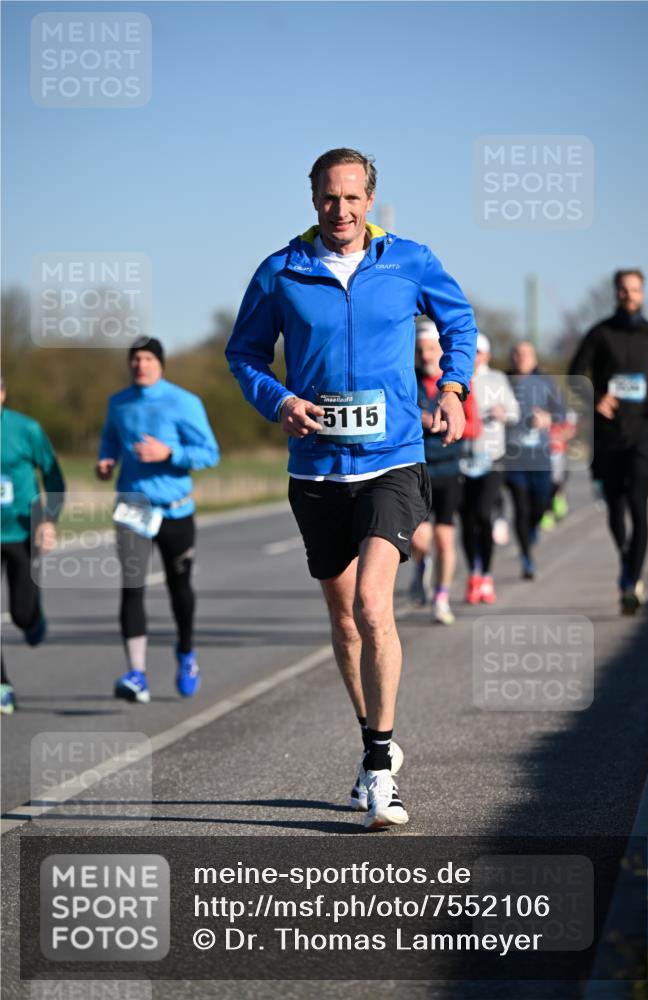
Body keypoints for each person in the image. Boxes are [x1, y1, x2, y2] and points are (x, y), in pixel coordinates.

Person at [226, 148, 477, 829]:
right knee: (343, 622)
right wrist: (277, 400)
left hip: (392, 458)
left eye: (352, 198)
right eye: (328, 199)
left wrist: (452, 388)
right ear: (313, 201)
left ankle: (375, 772)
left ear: (370, 199)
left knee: (373, 607)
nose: (340, 210)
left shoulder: (408, 260)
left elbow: (459, 322)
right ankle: (379, 738)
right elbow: (242, 354)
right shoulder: (281, 271)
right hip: (315, 470)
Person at [97, 336, 220, 702]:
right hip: (134, 509)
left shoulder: (184, 402)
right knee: (132, 587)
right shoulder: (118, 403)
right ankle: (136, 674)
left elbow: (210, 454)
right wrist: (106, 461)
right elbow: (109, 441)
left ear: (160, 363)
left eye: (148, 358)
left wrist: (170, 453)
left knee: (179, 589)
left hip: (176, 510)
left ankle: (186, 652)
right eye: (135, 359)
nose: (141, 365)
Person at [568, 270, 648, 613]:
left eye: (635, 289)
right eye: (624, 290)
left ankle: (631, 581)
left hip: (644, 434)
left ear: (642, 292)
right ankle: (626, 560)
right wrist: (595, 398)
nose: (629, 295)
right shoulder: (600, 333)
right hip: (607, 436)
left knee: (638, 505)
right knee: (616, 507)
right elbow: (575, 374)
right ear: (616, 293)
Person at [0, 378, 65, 714]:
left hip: (22, 532)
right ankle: (2, 685)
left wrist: (48, 520)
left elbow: (54, 478)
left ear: (3, 393)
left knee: (21, 615)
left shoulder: (26, 429)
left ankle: (33, 616)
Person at [410, 319, 479, 625]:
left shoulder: (457, 387)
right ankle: (421, 567)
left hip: (450, 471)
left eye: (431, 349)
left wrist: (446, 422)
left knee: (444, 540)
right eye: (420, 350)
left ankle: (441, 597)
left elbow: (474, 426)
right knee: (420, 541)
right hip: (416, 470)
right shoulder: (406, 381)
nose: (425, 356)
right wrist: (418, 421)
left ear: (442, 350)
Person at [460, 333, 519, 603]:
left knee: (483, 515)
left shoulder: (496, 379)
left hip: (492, 457)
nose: (474, 357)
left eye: (479, 352)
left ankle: (486, 573)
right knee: (467, 519)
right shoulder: (454, 377)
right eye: (470, 352)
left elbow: (515, 412)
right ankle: (473, 572)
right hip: (461, 460)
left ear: (487, 355)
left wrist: (502, 413)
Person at [505, 341, 566, 579]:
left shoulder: (546, 383)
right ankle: (526, 557)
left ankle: (532, 530)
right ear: (512, 358)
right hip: (513, 456)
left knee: (540, 504)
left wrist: (548, 419)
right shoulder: (503, 382)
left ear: (534, 358)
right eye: (517, 354)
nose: (521, 358)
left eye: (526, 354)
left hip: (540, 455)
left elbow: (562, 412)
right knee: (520, 506)